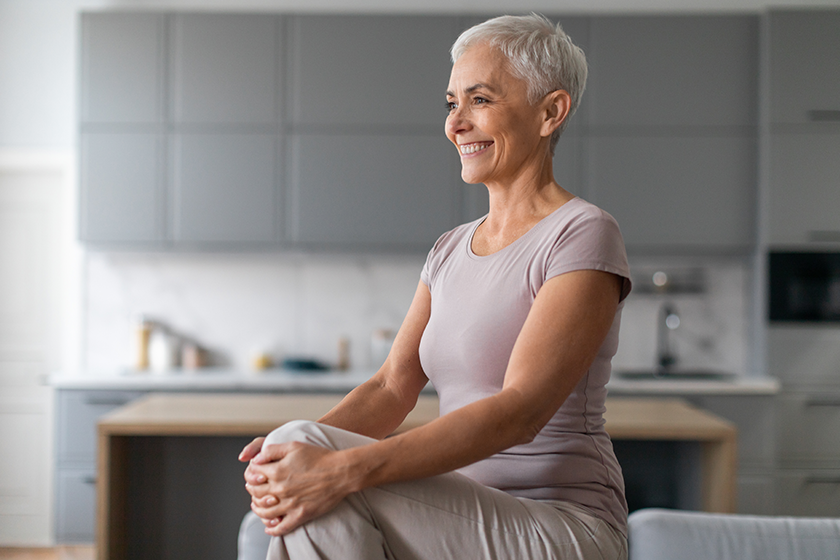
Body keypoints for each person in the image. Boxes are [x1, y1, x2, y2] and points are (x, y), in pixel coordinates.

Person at [239, 13, 632, 560]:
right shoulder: (450, 249)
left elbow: (520, 411)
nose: (455, 124)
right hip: (458, 512)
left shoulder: (582, 233)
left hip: (561, 523)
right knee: (294, 451)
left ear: (550, 112)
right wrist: (294, 448)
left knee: (319, 479)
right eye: (452, 104)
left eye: (480, 100)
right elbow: (391, 387)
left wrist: (337, 465)